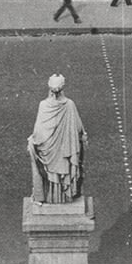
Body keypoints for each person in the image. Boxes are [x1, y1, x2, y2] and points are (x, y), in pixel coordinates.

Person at [28, 73, 87, 205]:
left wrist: (32, 141)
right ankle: (66, 196)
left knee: (50, 171)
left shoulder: (43, 105)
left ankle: (49, 197)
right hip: (65, 152)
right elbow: (78, 128)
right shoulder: (70, 105)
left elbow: (38, 132)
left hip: (49, 152)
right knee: (63, 170)